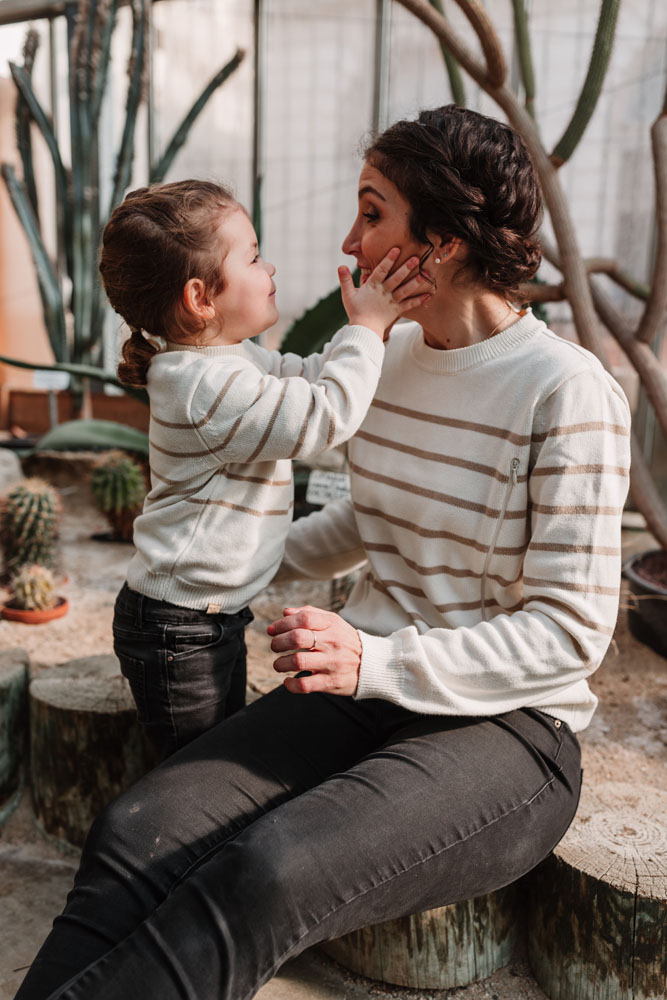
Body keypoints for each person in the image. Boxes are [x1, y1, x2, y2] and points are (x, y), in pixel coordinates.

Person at [16, 106, 631, 1000]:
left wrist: (375, 655)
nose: (348, 240)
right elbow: (374, 518)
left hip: (507, 728)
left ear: (445, 242)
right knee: (136, 828)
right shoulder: (395, 357)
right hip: (368, 687)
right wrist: (239, 574)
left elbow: (571, 635)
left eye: (373, 213)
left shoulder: (568, 392)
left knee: (265, 870)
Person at [98, 180, 429, 759]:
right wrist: (366, 331)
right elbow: (321, 418)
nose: (268, 265)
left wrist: (378, 332)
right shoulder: (201, 386)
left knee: (214, 750)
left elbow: (302, 372)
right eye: (252, 256)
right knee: (193, 774)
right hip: (179, 630)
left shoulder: (228, 359)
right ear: (201, 298)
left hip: (202, 621)